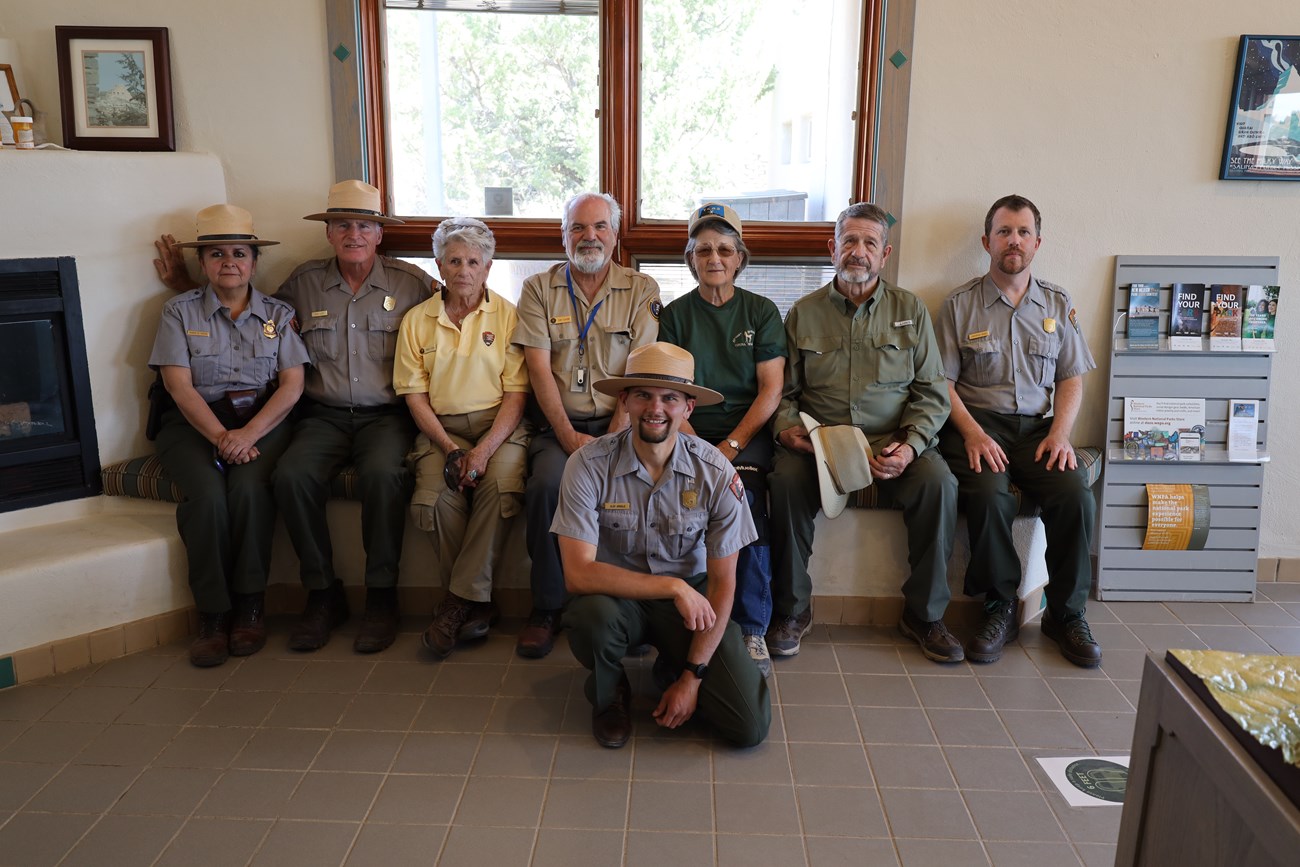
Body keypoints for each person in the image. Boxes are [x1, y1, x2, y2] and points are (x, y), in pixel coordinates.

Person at [156, 181, 435, 654]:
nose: (354, 234)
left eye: (364, 225)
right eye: (342, 224)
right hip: (320, 416)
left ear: (379, 234)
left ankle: (381, 598)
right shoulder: (301, 285)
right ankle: (323, 594)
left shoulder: (413, 284)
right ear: (328, 232)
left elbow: (456, 320)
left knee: (385, 475)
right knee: (290, 476)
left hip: (387, 417)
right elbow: (242, 312)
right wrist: (188, 290)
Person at [553, 343, 771, 749]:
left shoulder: (715, 471)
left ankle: (677, 666)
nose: (656, 408)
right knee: (590, 618)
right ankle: (610, 691)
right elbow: (578, 573)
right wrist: (673, 587)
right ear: (625, 402)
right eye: (643, 395)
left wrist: (693, 678)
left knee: (749, 727)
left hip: (692, 604)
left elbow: (723, 584)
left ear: (689, 408)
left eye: (670, 398)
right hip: (620, 599)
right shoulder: (586, 465)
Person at [769, 203, 960, 662]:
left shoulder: (909, 310)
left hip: (893, 439)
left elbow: (932, 393)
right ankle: (793, 610)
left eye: (869, 243)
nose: (858, 252)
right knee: (785, 481)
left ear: (885, 253)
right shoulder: (803, 313)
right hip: (823, 445)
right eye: (849, 242)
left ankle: (924, 615)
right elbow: (785, 393)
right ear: (831, 248)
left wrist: (911, 448)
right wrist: (789, 430)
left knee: (940, 485)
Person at [934, 194, 1101, 667]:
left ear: (1037, 243)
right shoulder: (959, 305)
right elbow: (941, 385)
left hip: (1039, 432)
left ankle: (1066, 614)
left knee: (1075, 492)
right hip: (979, 425)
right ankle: (999, 605)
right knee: (989, 495)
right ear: (987, 241)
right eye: (1005, 231)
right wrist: (970, 434)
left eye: (1023, 232)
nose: (1014, 240)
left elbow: (1072, 377)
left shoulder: (1057, 302)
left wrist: (1061, 434)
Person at [148, 205, 308, 667]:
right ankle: (214, 614)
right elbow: (178, 387)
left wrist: (249, 433)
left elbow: (292, 385)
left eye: (240, 253)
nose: (229, 262)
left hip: (263, 419)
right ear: (203, 264)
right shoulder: (178, 311)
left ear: (254, 262)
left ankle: (250, 607)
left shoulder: (278, 314)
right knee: (206, 497)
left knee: (250, 490)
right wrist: (223, 437)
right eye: (216, 254)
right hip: (193, 422)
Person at [511, 192, 661, 659]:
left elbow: (638, 372)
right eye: (578, 227)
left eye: (599, 227)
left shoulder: (642, 289)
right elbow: (538, 370)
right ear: (564, 235)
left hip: (624, 423)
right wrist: (567, 436)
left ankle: (626, 605)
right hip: (561, 425)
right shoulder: (538, 288)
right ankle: (548, 607)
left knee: (634, 487)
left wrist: (615, 435)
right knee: (546, 486)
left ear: (615, 236)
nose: (588, 236)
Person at [393, 217, 531, 659]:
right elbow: (414, 396)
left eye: (474, 261)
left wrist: (484, 450)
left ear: (488, 267)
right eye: (455, 260)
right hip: (440, 430)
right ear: (439, 266)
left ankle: (455, 605)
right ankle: (476, 604)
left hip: (499, 428)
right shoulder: (417, 321)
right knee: (435, 498)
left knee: (500, 485)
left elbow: (516, 395)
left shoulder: (509, 316)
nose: (465, 270)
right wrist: (452, 450)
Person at [658, 203, 785, 677]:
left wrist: (729, 447)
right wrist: (699, 446)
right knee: (675, 497)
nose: (715, 257)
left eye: (725, 249)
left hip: (744, 435)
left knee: (744, 498)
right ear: (691, 259)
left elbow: (771, 391)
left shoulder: (761, 311)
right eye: (704, 249)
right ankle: (676, 618)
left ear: (739, 258)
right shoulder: (674, 316)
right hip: (686, 432)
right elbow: (670, 392)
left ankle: (751, 627)